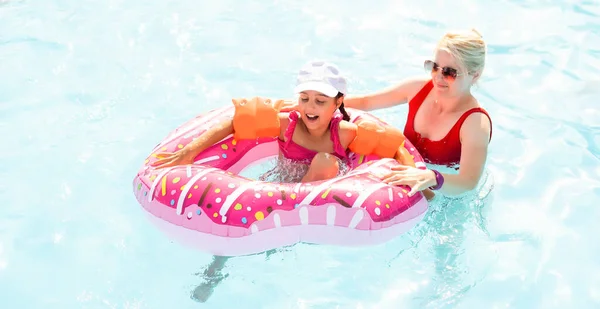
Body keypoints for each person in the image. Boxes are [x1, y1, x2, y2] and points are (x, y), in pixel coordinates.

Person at [282, 29, 493, 198]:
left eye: (449, 72)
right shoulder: (417, 89)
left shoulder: (475, 123)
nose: (437, 77)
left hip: (443, 195)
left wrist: (431, 177)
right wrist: (316, 104)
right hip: (404, 174)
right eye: (434, 66)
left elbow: (468, 181)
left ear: (475, 75)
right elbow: (367, 101)